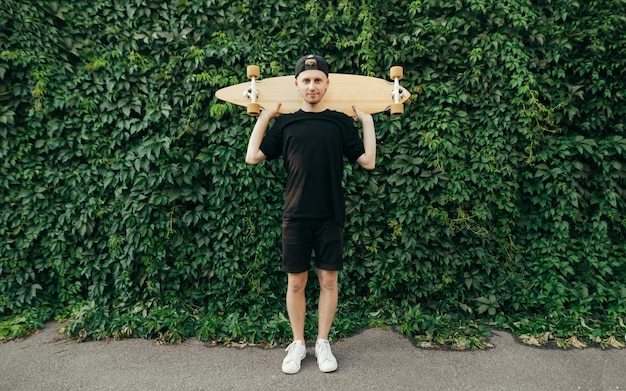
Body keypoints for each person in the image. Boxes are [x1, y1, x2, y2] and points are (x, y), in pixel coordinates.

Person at [245, 54, 376, 374]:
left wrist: (368, 122)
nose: (312, 85)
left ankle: (322, 343)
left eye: (318, 80)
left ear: (327, 83)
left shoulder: (339, 122)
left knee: (329, 280)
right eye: (306, 80)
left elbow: (368, 161)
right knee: (296, 283)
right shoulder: (287, 123)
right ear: (297, 85)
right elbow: (252, 157)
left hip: (330, 214)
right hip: (296, 215)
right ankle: (298, 344)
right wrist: (265, 117)